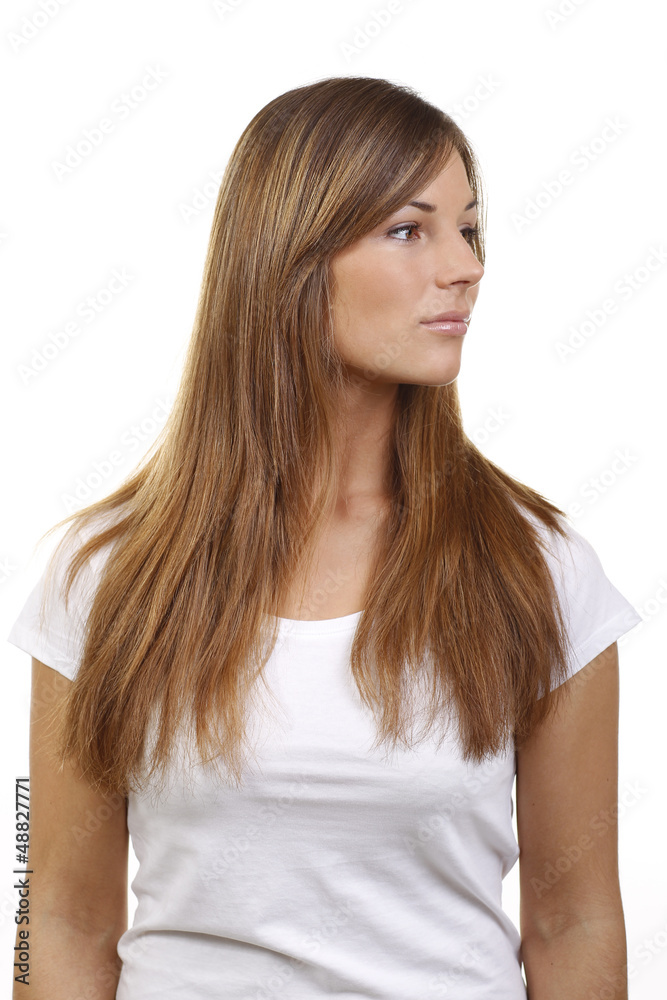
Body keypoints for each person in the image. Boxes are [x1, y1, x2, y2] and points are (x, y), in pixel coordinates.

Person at [8, 76, 642, 1000]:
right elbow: (55, 918)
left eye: (468, 229)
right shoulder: (103, 576)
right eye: (408, 229)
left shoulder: (539, 570)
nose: (465, 266)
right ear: (290, 258)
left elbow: (572, 920)